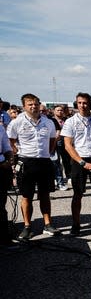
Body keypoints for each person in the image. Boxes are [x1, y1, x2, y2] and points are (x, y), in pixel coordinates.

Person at [6, 93, 60, 240]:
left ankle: (48, 224)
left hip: (44, 162)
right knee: (26, 196)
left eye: (36, 103)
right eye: (30, 104)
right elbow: (10, 141)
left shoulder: (48, 122)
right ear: (24, 106)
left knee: (45, 194)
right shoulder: (16, 122)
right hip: (26, 162)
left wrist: (47, 153)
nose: (33, 106)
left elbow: (52, 140)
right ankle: (27, 226)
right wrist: (17, 153)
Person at [62, 92, 91, 236]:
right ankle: (76, 224)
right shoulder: (70, 121)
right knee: (78, 194)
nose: (82, 105)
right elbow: (68, 146)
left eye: (85, 103)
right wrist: (82, 162)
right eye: (79, 103)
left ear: (90, 104)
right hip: (79, 161)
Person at [0, 121, 12, 245]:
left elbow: (7, 148)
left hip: (1, 167)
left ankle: (4, 237)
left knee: (1, 206)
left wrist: (9, 161)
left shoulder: (0, 128)